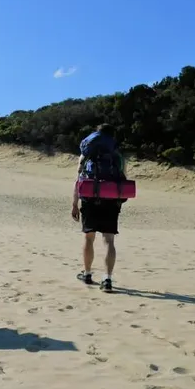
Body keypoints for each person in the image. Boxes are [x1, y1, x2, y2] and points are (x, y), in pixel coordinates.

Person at [70, 123, 127, 292]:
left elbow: (78, 181)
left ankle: (87, 274)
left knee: (89, 238)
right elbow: (123, 180)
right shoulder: (118, 156)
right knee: (109, 240)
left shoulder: (85, 155)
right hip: (111, 200)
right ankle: (107, 279)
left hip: (89, 198)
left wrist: (74, 204)